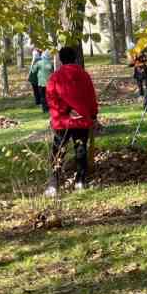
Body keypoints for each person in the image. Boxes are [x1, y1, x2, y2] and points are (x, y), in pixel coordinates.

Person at [45, 47, 99, 195]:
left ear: (61, 60)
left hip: (62, 121)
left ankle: (53, 184)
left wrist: (64, 110)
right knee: (80, 150)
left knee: (58, 152)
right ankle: (80, 181)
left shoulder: (55, 77)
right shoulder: (84, 75)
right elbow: (91, 97)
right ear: (75, 58)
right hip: (81, 120)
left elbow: (51, 98)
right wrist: (93, 115)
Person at [28, 49, 55, 114]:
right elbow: (53, 72)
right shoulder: (51, 63)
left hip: (41, 83)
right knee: (49, 96)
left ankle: (44, 109)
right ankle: (50, 108)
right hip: (49, 83)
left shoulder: (39, 63)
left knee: (42, 96)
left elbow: (33, 70)